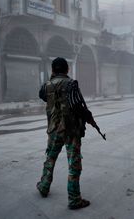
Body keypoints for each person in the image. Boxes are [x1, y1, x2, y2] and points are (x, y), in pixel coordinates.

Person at [36, 57, 96, 210]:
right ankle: (74, 199)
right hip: (70, 130)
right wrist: (88, 118)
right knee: (74, 163)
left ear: (53, 70)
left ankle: (44, 186)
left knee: (50, 158)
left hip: (54, 129)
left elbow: (42, 96)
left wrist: (52, 83)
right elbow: (78, 105)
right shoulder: (71, 84)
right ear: (67, 69)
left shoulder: (46, 86)